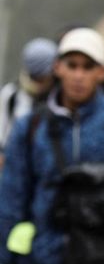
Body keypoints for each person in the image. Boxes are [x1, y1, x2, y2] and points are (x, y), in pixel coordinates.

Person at [0, 28, 104, 264]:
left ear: (102, 72)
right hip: (45, 253)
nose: (79, 75)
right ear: (58, 68)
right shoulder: (31, 126)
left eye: (88, 66)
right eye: (72, 65)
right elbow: (11, 198)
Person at [0, 38, 57, 168]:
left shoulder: (60, 98)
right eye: (37, 78)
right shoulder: (10, 96)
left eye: (44, 77)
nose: (41, 83)